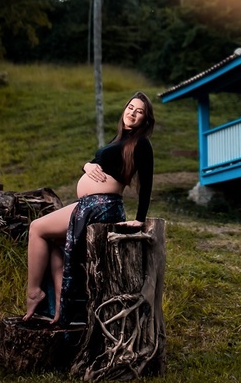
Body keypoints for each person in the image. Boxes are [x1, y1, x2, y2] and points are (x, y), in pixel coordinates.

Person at [23, 92, 155, 323]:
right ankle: (60, 307)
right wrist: (86, 165)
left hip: (102, 205)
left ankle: (34, 292)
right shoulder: (119, 139)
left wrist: (140, 219)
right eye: (130, 108)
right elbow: (97, 164)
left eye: (139, 111)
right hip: (89, 204)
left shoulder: (141, 143)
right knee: (55, 244)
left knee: (37, 228)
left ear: (145, 119)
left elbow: (147, 182)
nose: (133, 113)